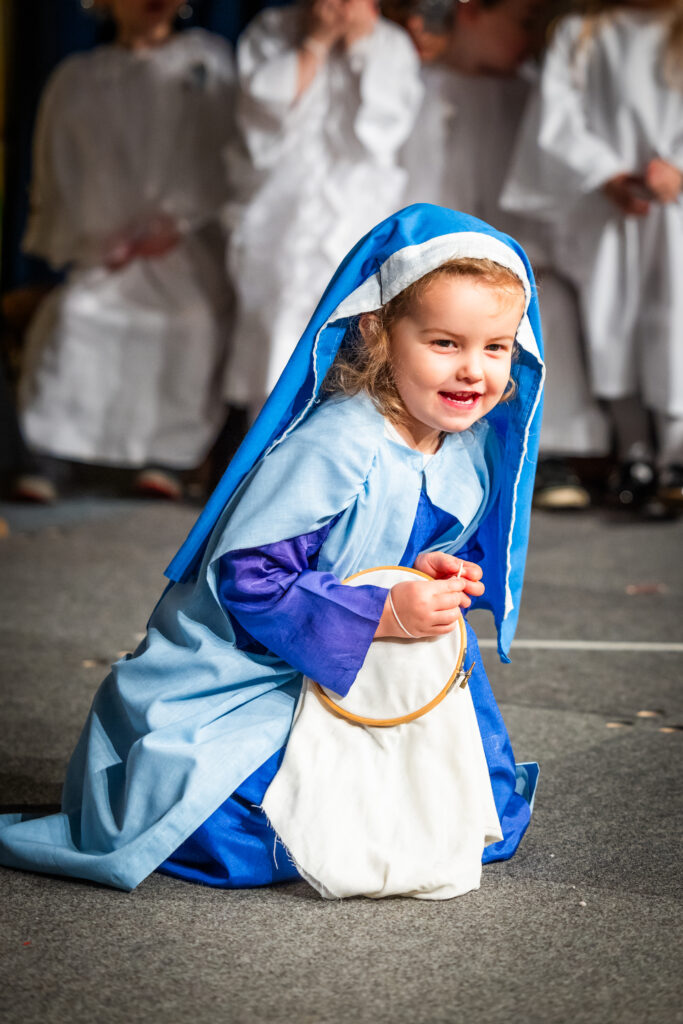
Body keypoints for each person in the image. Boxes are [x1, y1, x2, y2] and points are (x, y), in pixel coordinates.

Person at [0, 205, 543, 899]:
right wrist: (384, 611)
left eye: (495, 348)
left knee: (470, 811)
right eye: (444, 343)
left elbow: (398, 549)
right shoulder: (337, 446)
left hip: (368, 643)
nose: (473, 371)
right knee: (254, 826)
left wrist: (426, 574)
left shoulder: (465, 450)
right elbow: (250, 582)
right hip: (257, 661)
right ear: (378, 332)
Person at [394, 0, 609, 509]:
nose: (532, 39)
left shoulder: (527, 92)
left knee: (544, 302)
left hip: (513, 256)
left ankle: (547, 448)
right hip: (437, 257)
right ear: (470, 13)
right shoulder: (419, 86)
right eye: (521, 23)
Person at [18, 0, 236, 499]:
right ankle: (49, 455)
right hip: (109, 252)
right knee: (78, 315)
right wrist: (96, 235)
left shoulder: (207, 63)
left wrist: (179, 219)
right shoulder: (79, 77)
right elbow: (63, 168)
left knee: (191, 321)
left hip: (185, 250)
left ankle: (167, 459)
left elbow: (225, 155)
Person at [501, 0, 683, 512]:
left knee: (673, 323)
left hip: (674, 209)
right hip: (608, 206)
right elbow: (556, 119)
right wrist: (605, 173)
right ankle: (634, 449)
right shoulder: (581, 34)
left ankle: (676, 450)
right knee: (613, 324)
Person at [223, 0, 423, 421]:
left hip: (358, 210)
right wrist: (315, 43)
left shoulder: (390, 43)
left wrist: (358, 48)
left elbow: (385, 130)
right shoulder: (272, 28)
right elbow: (263, 112)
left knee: (357, 321)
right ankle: (266, 441)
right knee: (278, 320)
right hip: (283, 214)